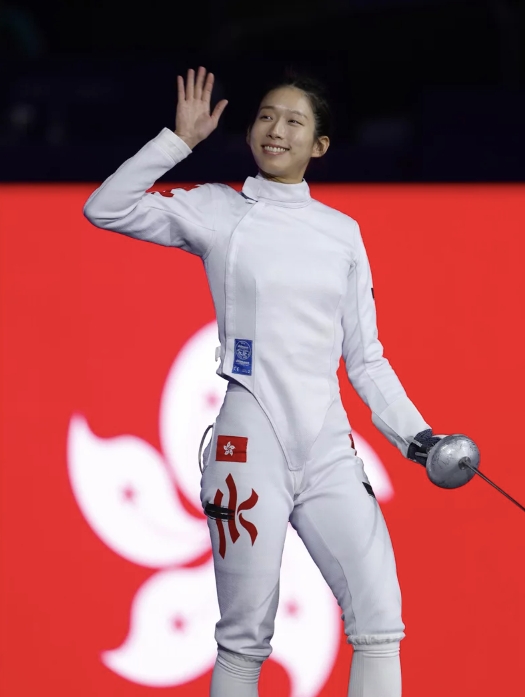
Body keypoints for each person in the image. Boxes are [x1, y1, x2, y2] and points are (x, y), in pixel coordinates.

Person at [84, 66, 442, 697]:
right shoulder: (219, 210)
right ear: (250, 131)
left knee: (381, 622)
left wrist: (419, 438)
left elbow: (366, 360)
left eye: (294, 121)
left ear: (320, 144)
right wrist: (177, 142)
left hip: (328, 450)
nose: (276, 130)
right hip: (248, 450)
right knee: (244, 638)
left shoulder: (342, 233)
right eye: (267, 117)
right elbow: (105, 208)